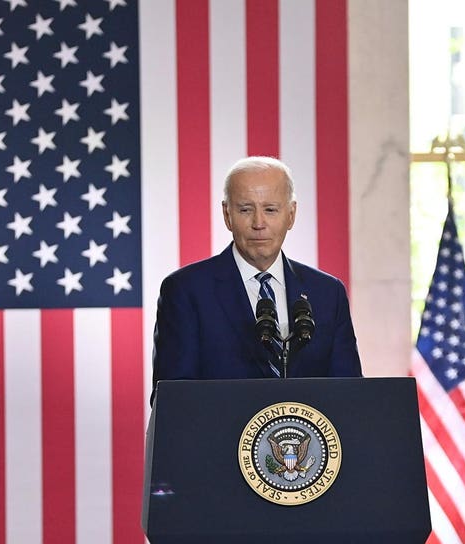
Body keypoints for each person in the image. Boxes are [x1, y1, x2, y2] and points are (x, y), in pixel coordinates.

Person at [150, 156, 362, 403]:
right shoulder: (186, 291)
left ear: (291, 214)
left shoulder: (327, 293)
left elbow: (351, 398)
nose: (259, 223)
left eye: (270, 209)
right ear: (227, 214)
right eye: (245, 209)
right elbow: (173, 403)